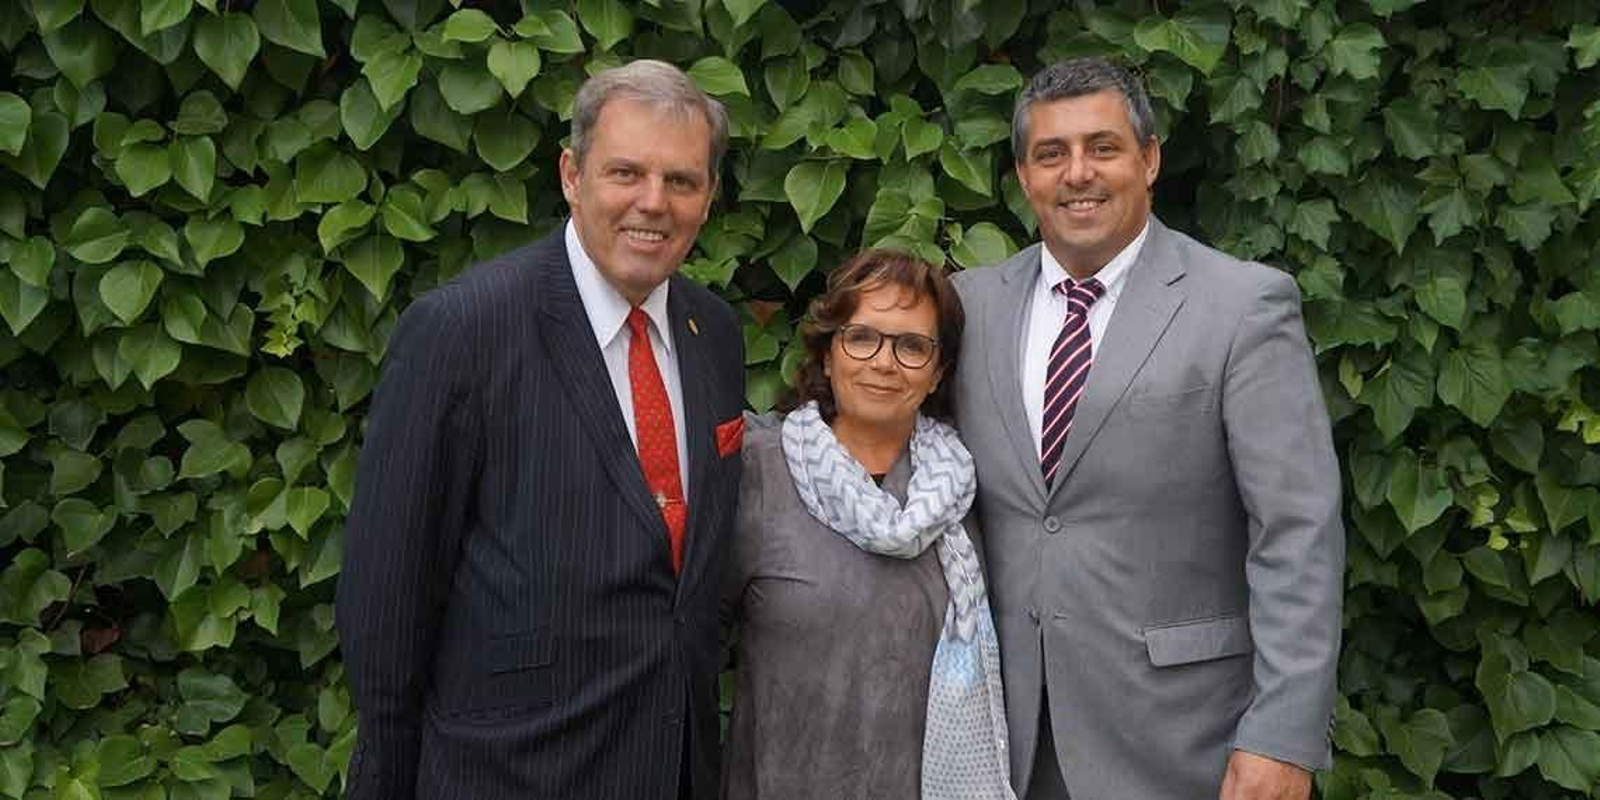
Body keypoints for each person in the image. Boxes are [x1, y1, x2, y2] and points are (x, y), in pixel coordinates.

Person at [336, 60, 746, 800]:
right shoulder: (462, 332)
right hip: (507, 775)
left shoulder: (711, 332)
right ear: (571, 174)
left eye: (682, 181)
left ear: (709, 198)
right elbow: (385, 605)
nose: (653, 203)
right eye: (626, 172)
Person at [950, 58, 1345, 799]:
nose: (1078, 174)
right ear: (1023, 176)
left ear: (1150, 158)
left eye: (1102, 148)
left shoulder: (1242, 307)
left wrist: (1282, 736)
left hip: (1186, 747)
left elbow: (1298, 530)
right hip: (1003, 745)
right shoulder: (967, 308)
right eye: (1051, 154)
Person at [722, 251, 1014, 800]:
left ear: (937, 372)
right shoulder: (758, 470)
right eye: (862, 337)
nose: (884, 362)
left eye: (912, 346)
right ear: (828, 355)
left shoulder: (966, 488)